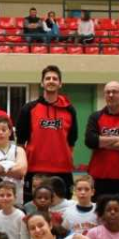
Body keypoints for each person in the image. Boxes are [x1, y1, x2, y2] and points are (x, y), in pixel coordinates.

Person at [17, 65, 79, 195]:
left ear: (60, 84)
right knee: (34, 211)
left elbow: (72, 140)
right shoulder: (29, 109)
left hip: (63, 170)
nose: (51, 81)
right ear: (42, 83)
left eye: (55, 79)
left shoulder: (69, 110)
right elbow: (21, 142)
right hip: (35, 169)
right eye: (48, 78)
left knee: (62, 212)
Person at [0, 116, 27, 205]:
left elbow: (22, 171)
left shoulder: (19, 150)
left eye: (4, 130)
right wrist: (12, 166)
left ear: (10, 132)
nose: (1, 133)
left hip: (16, 202)